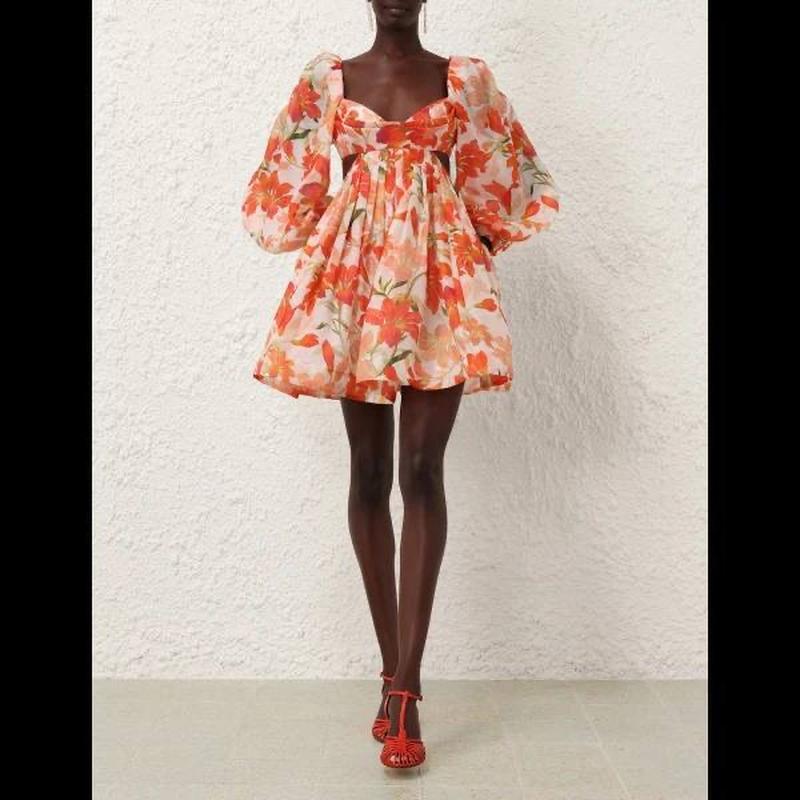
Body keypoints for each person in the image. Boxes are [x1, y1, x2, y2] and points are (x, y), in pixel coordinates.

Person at [241, 0, 559, 769]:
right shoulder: (329, 79)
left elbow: (503, 183)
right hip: (356, 290)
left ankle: (408, 690)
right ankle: (392, 674)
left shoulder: (463, 79)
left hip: (440, 286)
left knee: (421, 469)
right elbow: (290, 189)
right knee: (368, 473)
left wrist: (465, 243)